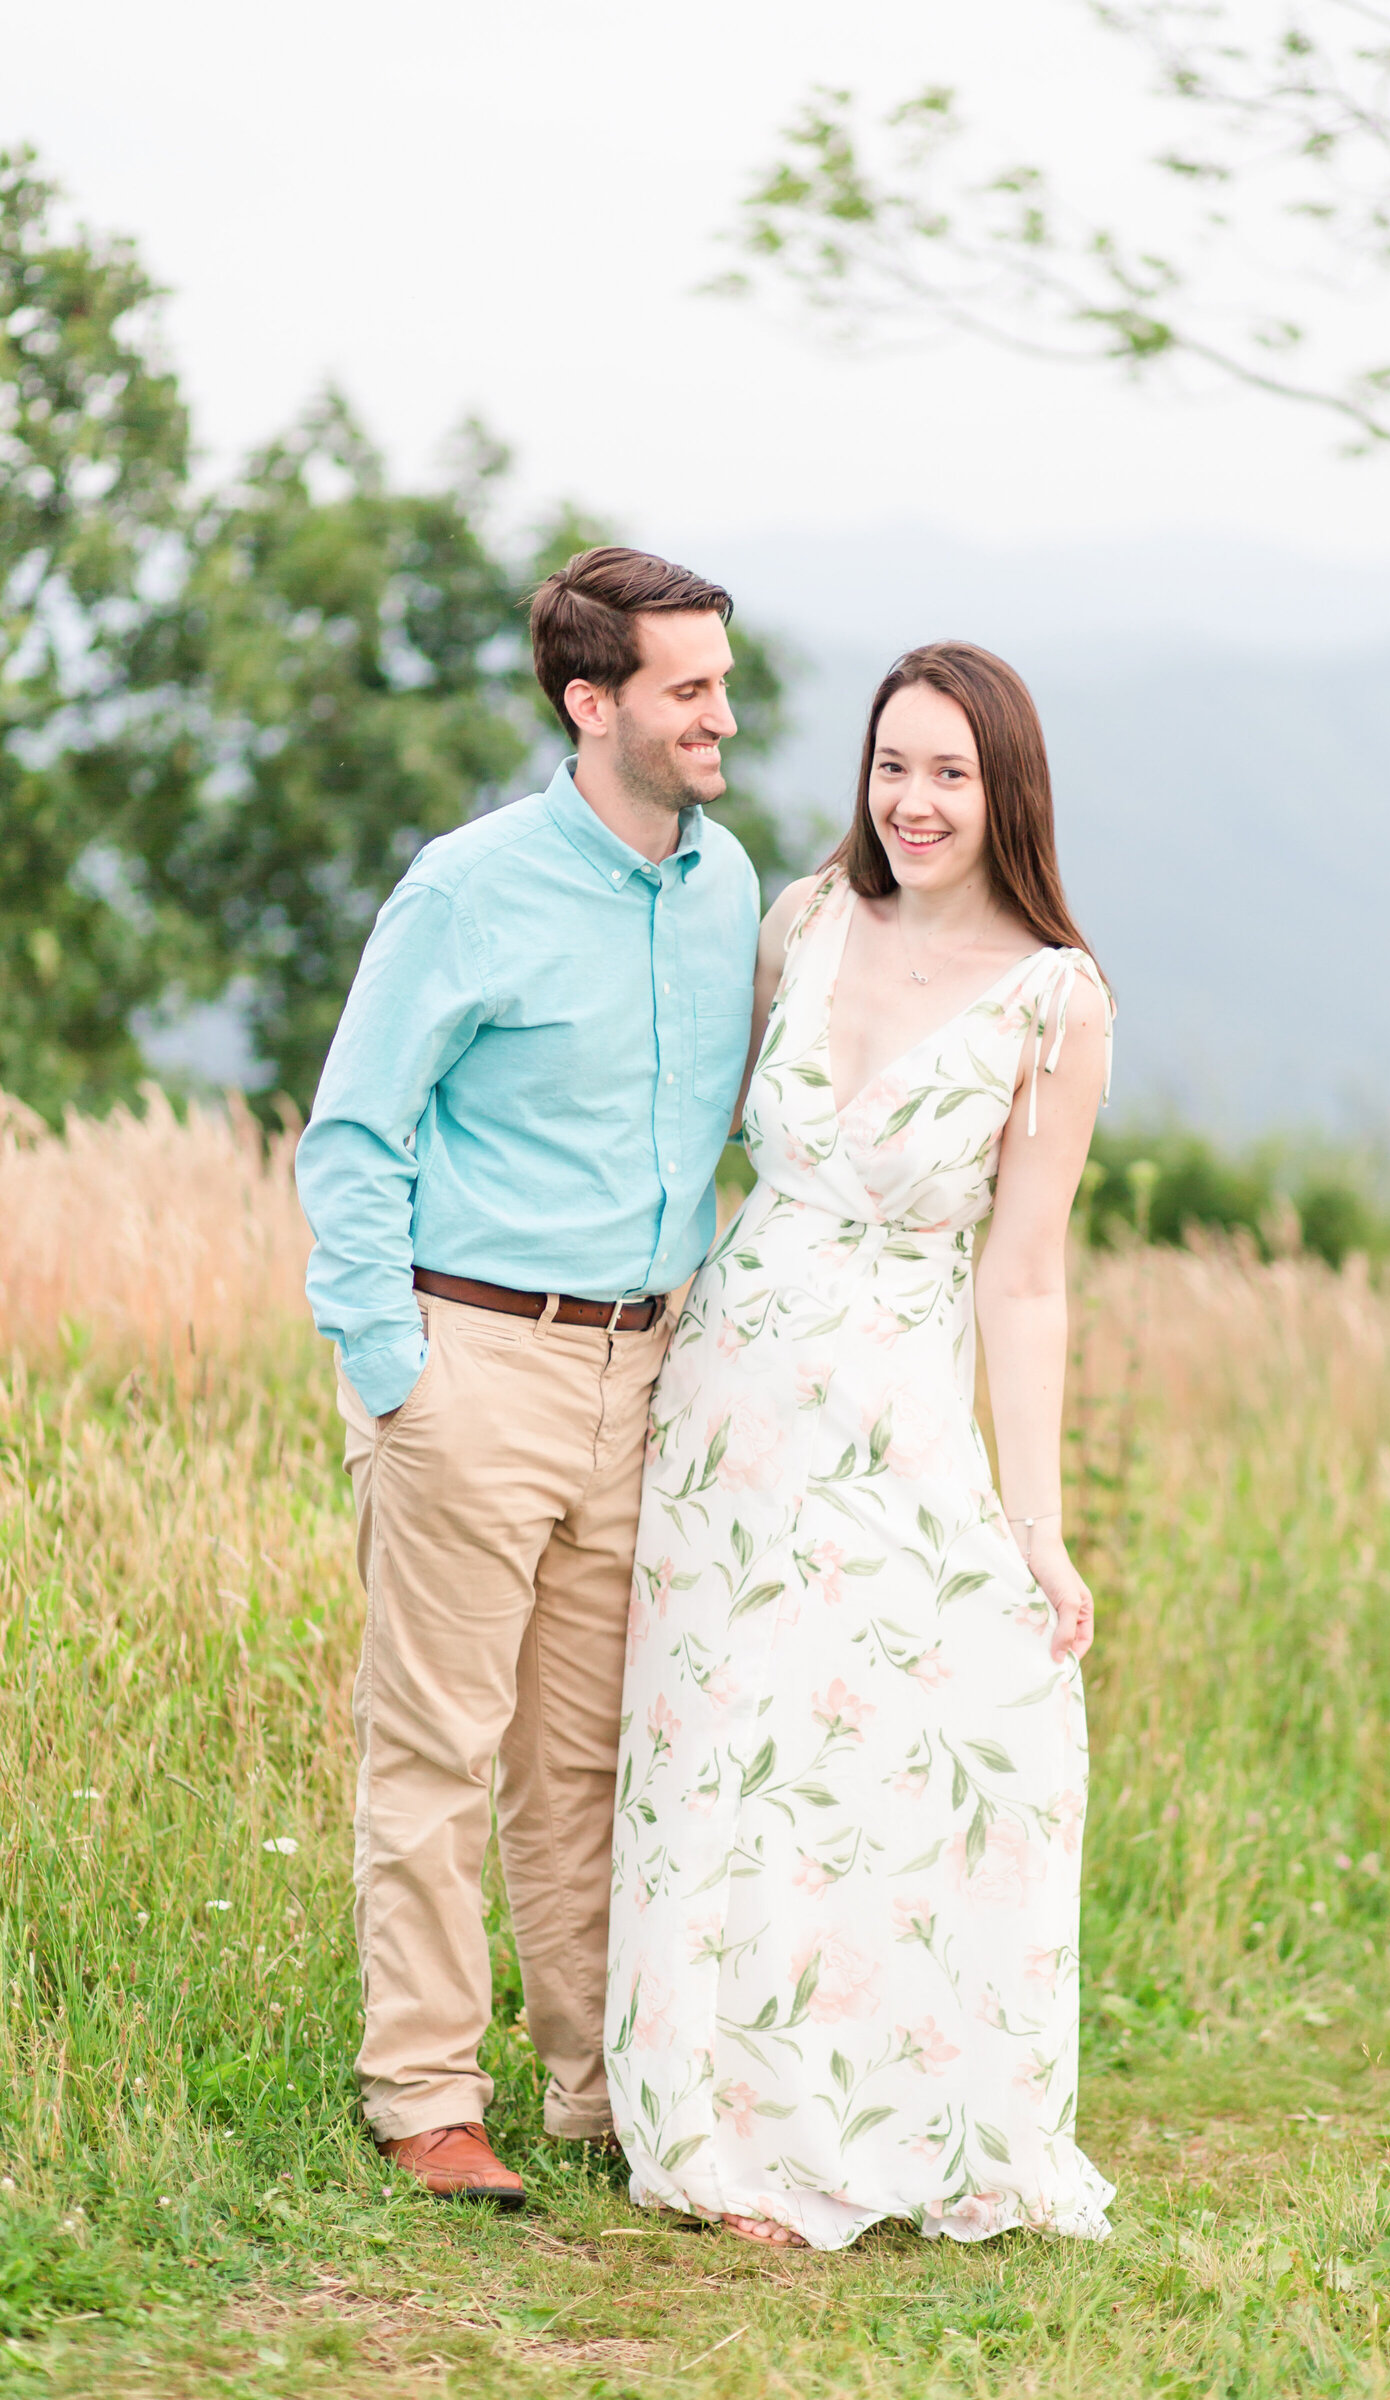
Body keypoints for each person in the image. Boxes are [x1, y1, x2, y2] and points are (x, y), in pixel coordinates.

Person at [607, 641, 1116, 2250]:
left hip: (897, 1402)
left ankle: (885, 2104)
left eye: (950, 773)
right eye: (894, 765)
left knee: (899, 1742)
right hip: (733, 1395)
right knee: (727, 1750)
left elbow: (1023, 1275)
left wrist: (1034, 1519)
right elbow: (696, 1130)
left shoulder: (1057, 999)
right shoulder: (807, 922)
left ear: (1007, 790)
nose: (913, 800)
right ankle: (713, 2120)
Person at [295, 547, 761, 2205]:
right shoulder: (467, 887)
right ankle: (423, 2094)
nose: (724, 713)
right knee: (435, 1748)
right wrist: (394, 1367)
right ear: (595, 702)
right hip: (472, 1359)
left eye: (721, 678)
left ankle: (593, 2088)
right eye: (689, 687)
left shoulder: (727, 889)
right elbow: (353, 1132)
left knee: (588, 1758)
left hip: (645, 1380)